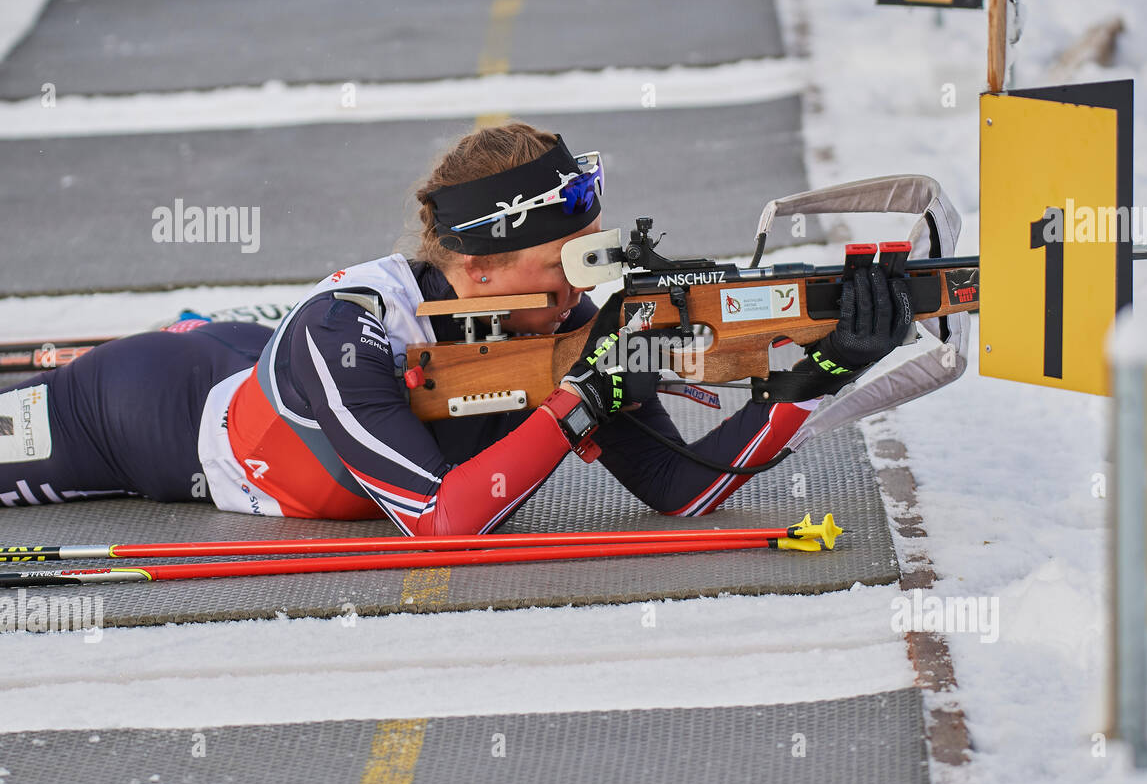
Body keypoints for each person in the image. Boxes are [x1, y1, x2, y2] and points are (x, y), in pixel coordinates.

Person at [0, 123, 912, 534]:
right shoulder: (342, 331)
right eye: (558, 267)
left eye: (590, 258)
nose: (579, 290)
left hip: (281, 376)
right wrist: (578, 405)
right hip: (146, 414)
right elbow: (443, 523)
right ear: (474, 270)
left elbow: (685, 491)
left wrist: (824, 370)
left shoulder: (563, 320)